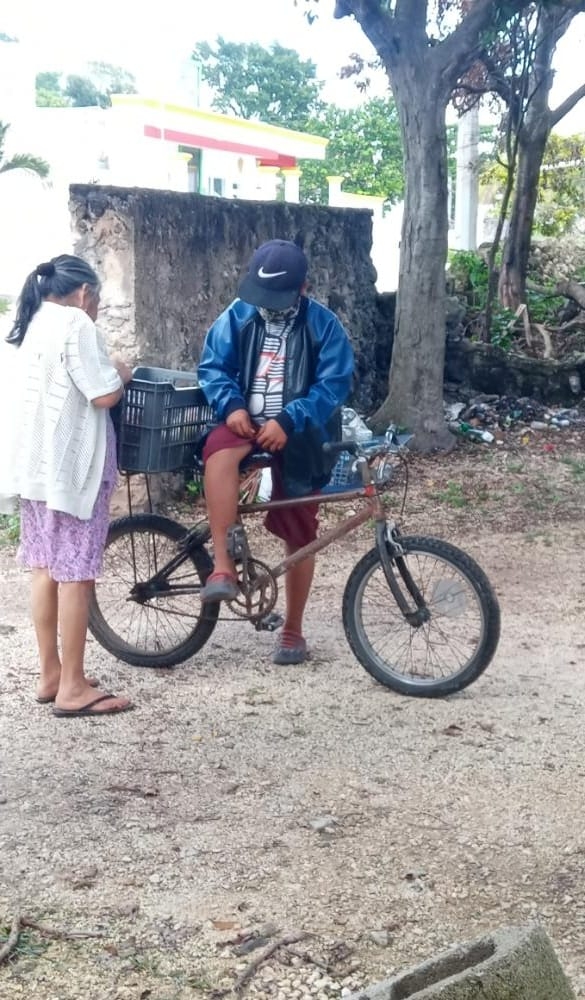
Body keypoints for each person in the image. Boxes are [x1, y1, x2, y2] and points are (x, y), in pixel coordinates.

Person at [197, 238, 354, 664]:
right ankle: (224, 565)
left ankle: (293, 630)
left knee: (300, 527)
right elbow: (213, 366)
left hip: (300, 433)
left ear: (303, 289)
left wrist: (289, 419)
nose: (267, 306)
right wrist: (230, 406)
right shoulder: (239, 314)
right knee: (219, 453)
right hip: (244, 422)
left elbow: (334, 384)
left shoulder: (324, 326)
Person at [0, 254, 134, 717]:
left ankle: (51, 672)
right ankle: (73, 688)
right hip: (72, 473)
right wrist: (122, 373)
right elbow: (102, 394)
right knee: (76, 573)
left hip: (33, 469)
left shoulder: (30, 322)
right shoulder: (76, 324)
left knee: (44, 568)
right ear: (84, 294)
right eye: (95, 300)